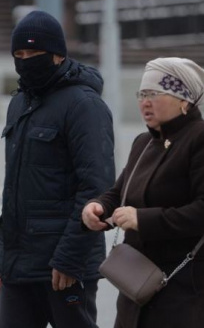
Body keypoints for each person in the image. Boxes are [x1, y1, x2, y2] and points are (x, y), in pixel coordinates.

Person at [0, 10, 115, 328]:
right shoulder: (20, 102)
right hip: (18, 266)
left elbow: (96, 188)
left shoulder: (84, 106)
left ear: (58, 55)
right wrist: (5, 258)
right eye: (18, 54)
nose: (24, 60)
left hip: (65, 269)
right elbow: (15, 188)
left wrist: (70, 259)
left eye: (33, 53)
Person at [82, 57, 204, 328]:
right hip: (136, 287)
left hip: (182, 290)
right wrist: (98, 208)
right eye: (142, 94)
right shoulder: (144, 142)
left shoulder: (198, 139)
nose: (145, 102)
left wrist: (143, 220)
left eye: (155, 94)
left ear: (184, 101)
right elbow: (119, 193)